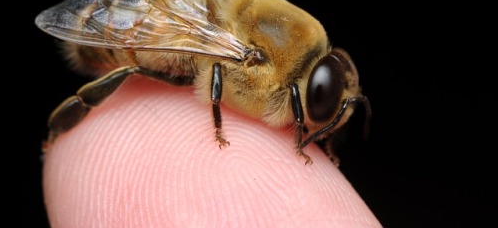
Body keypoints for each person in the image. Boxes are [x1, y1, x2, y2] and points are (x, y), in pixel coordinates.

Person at [43, 76, 381, 227]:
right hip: (161, 26)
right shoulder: (252, 59)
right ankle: (62, 121)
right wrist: (218, 128)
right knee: (136, 69)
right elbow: (216, 69)